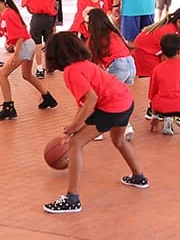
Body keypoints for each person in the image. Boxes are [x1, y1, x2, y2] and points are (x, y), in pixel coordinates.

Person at [42, 32, 147, 213]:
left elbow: (91, 100)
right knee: (119, 140)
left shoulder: (71, 72)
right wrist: (76, 126)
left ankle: (72, 199)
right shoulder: (85, 64)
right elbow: (86, 106)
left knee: (75, 143)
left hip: (111, 106)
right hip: (125, 101)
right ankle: (139, 177)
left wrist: (74, 129)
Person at [0, 0, 57, 120]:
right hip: (27, 44)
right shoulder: (1, 15)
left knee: (2, 74)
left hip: (24, 45)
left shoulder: (9, 14)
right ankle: (48, 98)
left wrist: (16, 55)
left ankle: (8, 107)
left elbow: (19, 36)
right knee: (27, 75)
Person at [133, 7, 180, 119]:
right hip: (144, 53)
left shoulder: (176, 30)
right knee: (163, 77)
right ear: (179, 22)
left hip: (148, 50)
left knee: (169, 75)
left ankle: (158, 109)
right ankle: (152, 110)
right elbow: (166, 58)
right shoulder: (168, 32)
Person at [85, 9, 136, 141]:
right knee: (120, 98)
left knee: (101, 98)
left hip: (118, 66)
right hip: (130, 65)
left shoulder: (94, 38)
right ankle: (126, 127)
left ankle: (97, 129)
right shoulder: (114, 33)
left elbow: (90, 62)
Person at [21, 0, 59, 79]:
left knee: (37, 45)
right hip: (49, 19)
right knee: (48, 44)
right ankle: (50, 66)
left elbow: (23, 3)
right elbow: (54, 5)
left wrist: (31, 7)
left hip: (36, 19)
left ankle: (39, 69)